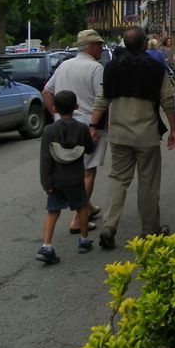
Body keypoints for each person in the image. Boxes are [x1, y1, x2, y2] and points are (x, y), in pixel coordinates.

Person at [90, 26, 175, 250]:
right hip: (146, 135)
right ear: (143, 44)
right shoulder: (157, 68)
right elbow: (168, 100)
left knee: (118, 179)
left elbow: (102, 100)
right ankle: (150, 230)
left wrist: (93, 125)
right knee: (148, 183)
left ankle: (109, 226)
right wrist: (174, 129)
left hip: (119, 134)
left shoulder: (111, 67)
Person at [42, 28, 108, 234]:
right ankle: (79, 219)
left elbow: (46, 91)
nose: (102, 49)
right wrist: (94, 126)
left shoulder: (64, 65)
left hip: (62, 122)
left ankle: (86, 206)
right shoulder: (96, 68)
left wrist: (54, 112)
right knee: (88, 172)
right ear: (93, 47)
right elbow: (101, 99)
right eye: (100, 45)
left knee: (70, 167)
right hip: (88, 123)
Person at [36, 90, 97, 264]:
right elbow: (89, 149)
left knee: (53, 212)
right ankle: (84, 240)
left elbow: (45, 159)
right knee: (82, 207)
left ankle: (47, 245)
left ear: (54, 108)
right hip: (76, 178)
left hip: (56, 179)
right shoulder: (82, 128)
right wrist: (94, 139)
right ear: (76, 107)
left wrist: (46, 182)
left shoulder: (49, 130)